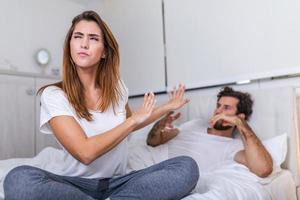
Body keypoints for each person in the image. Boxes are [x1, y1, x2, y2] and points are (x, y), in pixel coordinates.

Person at [3, 10, 199, 200]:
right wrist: (132, 122)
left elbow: (132, 122)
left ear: (105, 51)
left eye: (94, 38)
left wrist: (168, 106)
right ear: (70, 45)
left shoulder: (118, 88)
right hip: (74, 184)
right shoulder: (53, 95)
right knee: (18, 179)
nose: (84, 44)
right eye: (78, 36)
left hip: (120, 182)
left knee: (186, 167)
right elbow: (85, 153)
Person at [147, 86, 273, 178]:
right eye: (218, 106)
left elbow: (263, 169)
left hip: (176, 179)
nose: (218, 111)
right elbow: (153, 142)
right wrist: (158, 127)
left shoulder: (234, 146)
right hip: (153, 170)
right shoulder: (195, 124)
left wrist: (241, 124)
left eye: (226, 107)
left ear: (240, 116)